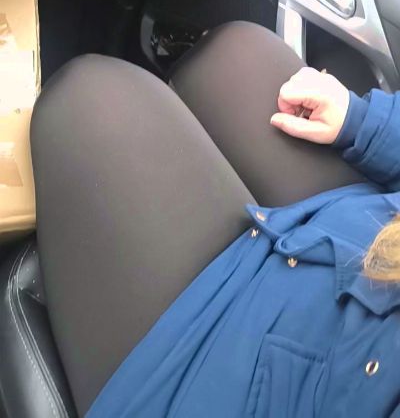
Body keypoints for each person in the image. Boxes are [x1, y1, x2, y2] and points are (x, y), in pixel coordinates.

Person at [30, 26, 400, 418]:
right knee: (237, 52)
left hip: (279, 381)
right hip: (366, 226)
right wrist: (367, 122)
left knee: (90, 98)